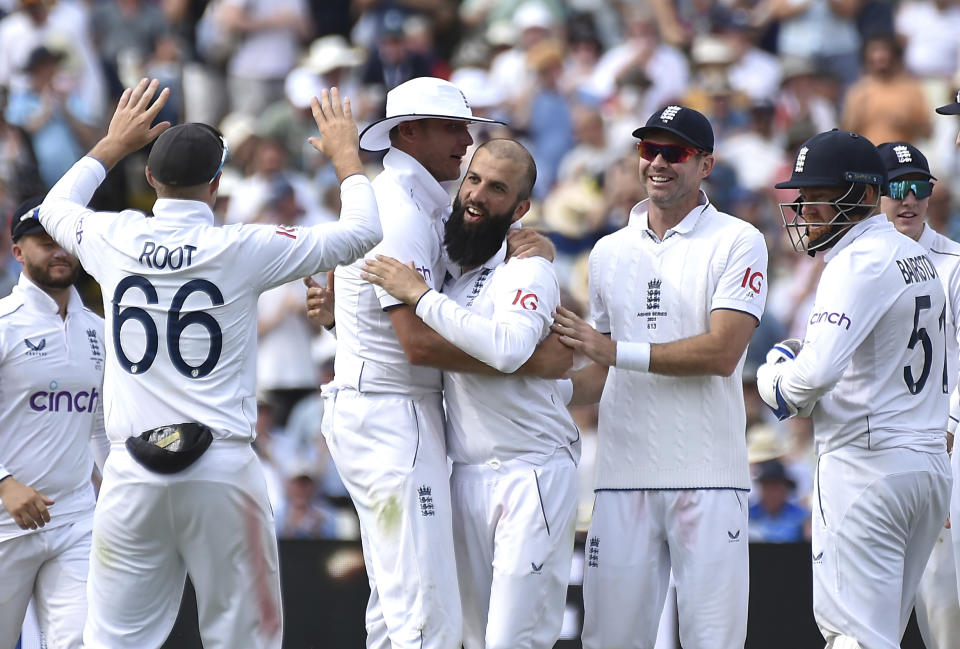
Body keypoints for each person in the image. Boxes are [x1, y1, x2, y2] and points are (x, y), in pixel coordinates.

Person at [36, 79, 381, 649]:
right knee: (246, 638)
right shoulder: (242, 246)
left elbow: (53, 209)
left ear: (150, 179)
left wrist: (112, 144)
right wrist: (347, 157)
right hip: (220, 467)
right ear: (217, 185)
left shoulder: (114, 235)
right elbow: (363, 233)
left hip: (132, 470)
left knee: (113, 640)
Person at [317, 76, 569, 649]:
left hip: (393, 411)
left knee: (396, 606)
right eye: (454, 128)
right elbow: (418, 344)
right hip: (392, 412)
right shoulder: (403, 208)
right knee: (427, 617)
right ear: (410, 133)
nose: (466, 140)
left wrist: (534, 245)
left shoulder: (424, 200)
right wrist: (529, 359)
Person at [551, 105, 769, 649]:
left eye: (675, 153)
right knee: (608, 641)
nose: (658, 163)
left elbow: (722, 353)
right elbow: (599, 374)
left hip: (709, 473)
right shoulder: (607, 252)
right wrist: (528, 385)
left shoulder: (739, 240)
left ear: (706, 165)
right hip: (623, 475)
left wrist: (611, 349)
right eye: (649, 150)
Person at [755, 128, 951, 649]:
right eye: (804, 195)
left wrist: (772, 374)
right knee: (883, 633)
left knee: (855, 637)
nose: (806, 208)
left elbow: (811, 380)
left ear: (865, 195)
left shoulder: (856, 261)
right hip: (925, 468)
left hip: (867, 468)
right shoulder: (917, 256)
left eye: (820, 194)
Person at [0, 197, 108, 649]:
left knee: (81, 642)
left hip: (74, 520)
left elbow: (101, 427)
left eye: (65, 242)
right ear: (18, 252)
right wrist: (5, 484)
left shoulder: (101, 330)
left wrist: (118, 495)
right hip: (5, 520)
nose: (59, 252)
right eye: (45, 243)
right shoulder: (3, 324)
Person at [877, 138, 960, 647]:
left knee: (942, 610)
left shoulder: (953, 263)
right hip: (872, 455)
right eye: (895, 188)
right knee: (865, 617)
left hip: (938, 450)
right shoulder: (852, 264)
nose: (908, 199)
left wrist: (948, 424)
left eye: (919, 188)